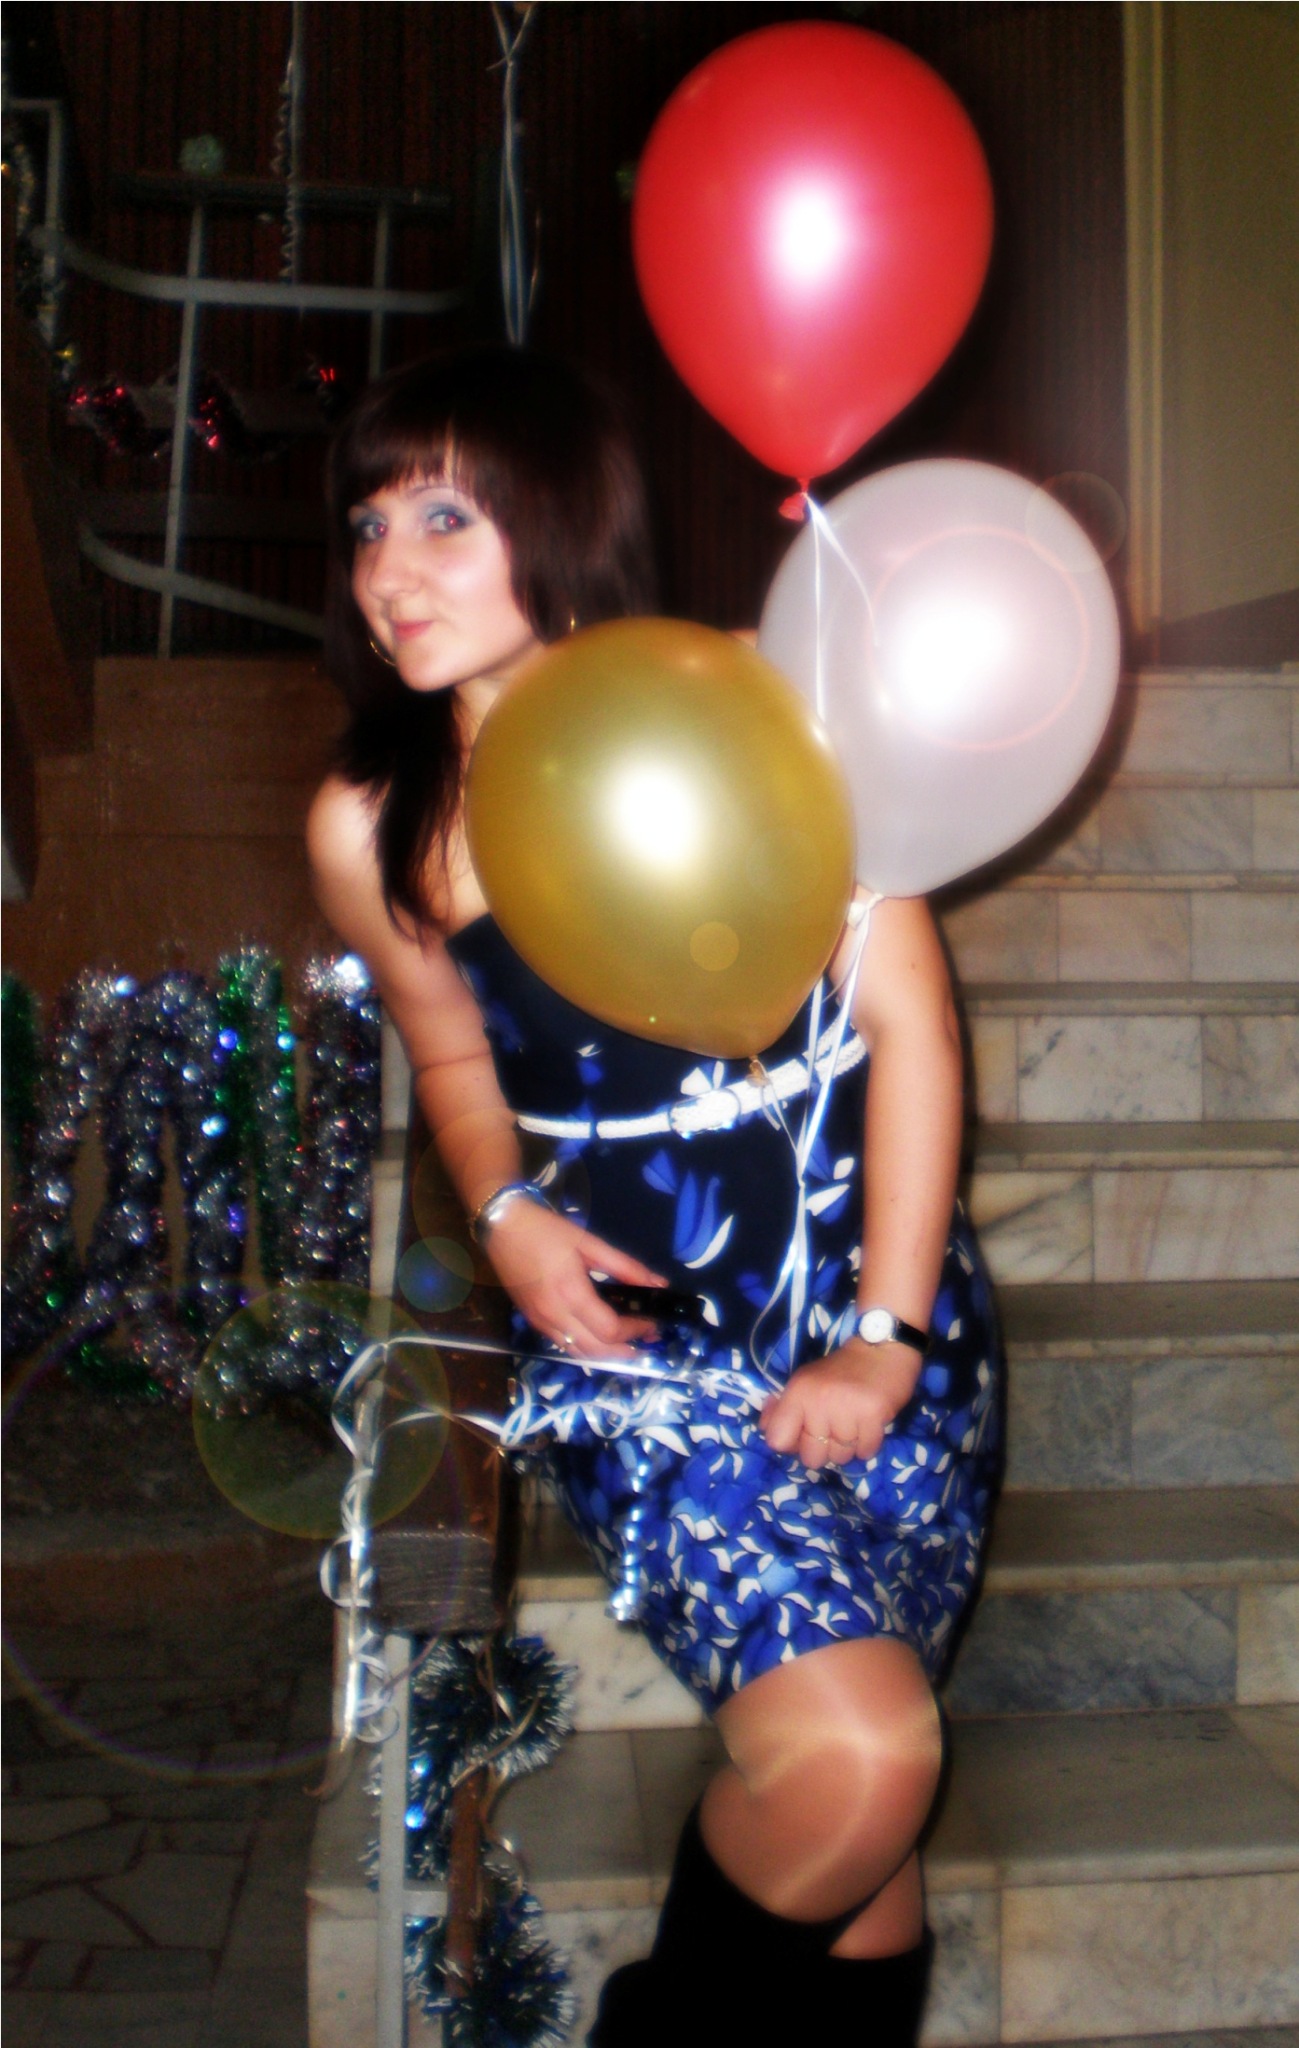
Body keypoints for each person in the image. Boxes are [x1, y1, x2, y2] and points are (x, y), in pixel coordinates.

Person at [307, 344, 1001, 2047]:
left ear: (562, 522)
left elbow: (911, 1026)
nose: (389, 569)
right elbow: (455, 1066)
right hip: (648, 1351)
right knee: (859, 1757)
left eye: (444, 517)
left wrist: (889, 1338)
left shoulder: (760, 709)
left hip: (893, 1319)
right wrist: (505, 1215)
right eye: (369, 524)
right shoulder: (377, 818)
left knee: (861, 1834)